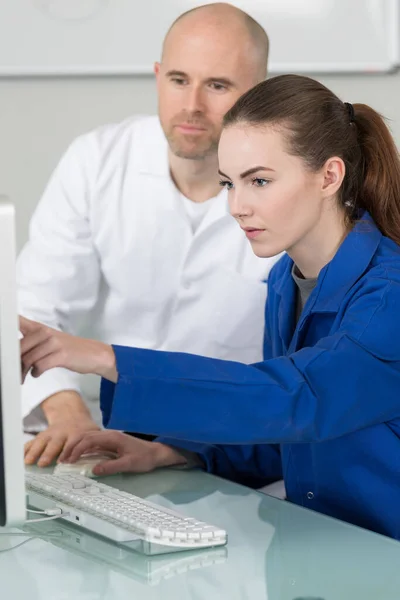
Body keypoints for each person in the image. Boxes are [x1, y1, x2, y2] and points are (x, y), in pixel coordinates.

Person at [20, 73, 400, 540]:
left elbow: (298, 400)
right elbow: (286, 435)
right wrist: (181, 451)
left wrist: (104, 357)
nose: (237, 206)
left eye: (259, 181)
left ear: (329, 176)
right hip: (316, 551)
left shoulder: (389, 297)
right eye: (229, 184)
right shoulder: (286, 280)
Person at [19, 3, 279, 468]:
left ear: (258, 93)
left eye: (218, 85)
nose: (193, 105)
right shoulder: (98, 160)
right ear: (158, 75)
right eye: (179, 80)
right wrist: (67, 414)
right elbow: (32, 311)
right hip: (104, 434)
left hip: (232, 448)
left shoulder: (289, 191)